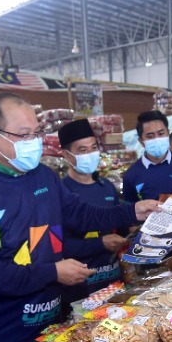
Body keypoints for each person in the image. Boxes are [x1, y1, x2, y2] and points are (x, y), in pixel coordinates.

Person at [0, 92, 160, 342]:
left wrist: (131, 210)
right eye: (23, 135)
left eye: (37, 133)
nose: (33, 143)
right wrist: (54, 272)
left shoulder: (44, 176)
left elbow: (80, 215)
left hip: (49, 325)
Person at [57, 118, 127, 305]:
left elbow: (119, 229)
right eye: (82, 150)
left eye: (93, 147)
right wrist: (100, 243)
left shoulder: (107, 188)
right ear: (66, 155)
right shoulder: (61, 193)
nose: (90, 154)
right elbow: (59, 246)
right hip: (80, 288)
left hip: (112, 283)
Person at [121, 110, 172, 203]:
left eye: (161, 133)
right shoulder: (131, 175)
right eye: (150, 136)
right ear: (141, 141)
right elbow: (131, 211)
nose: (157, 139)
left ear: (168, 133)